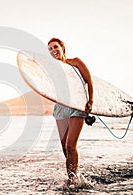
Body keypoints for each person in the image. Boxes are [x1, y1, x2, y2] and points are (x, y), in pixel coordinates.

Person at [47, 38, 93, 185]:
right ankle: (74, 172)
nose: (53, 50)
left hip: (77, 106)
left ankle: (72, 180)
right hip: (61, 107)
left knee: (70, 145)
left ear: (62, 48)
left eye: (55, 47)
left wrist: (90, 101)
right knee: (64, 145)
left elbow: (89, 81)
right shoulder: (52, 70)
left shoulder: (75, 62)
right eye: (50, 49)